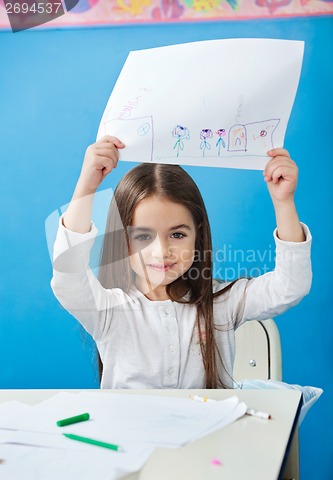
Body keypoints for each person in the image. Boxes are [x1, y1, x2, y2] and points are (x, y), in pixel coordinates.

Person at [51, 135, 312, 390]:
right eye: (143, 236)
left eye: (177, 234)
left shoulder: (222, 302)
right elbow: (68, 277)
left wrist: (283, 202)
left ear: (197, 234)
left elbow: (290, 286)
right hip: (129, 433)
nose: (162, 251)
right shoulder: (109, 310)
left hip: (210, 433)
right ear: (123, 240)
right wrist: (86, 188)